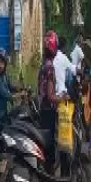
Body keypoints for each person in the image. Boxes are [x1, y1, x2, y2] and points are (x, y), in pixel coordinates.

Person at [38, 31, 60, 161]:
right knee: (49, 146)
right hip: (49, 110)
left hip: (42, 110)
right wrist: (64, 97)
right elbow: (51, 96)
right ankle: (50, 177)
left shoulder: (43, 65)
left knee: (44, 145)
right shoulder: (50, 67)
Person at [0, 48, 19, 124]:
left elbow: (11, 87)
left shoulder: (5, 76)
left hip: (5, 114)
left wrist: (20, 89)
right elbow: (7, 96)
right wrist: (20, 95)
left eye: (2, 63)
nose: (0, 65)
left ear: (5, 64)